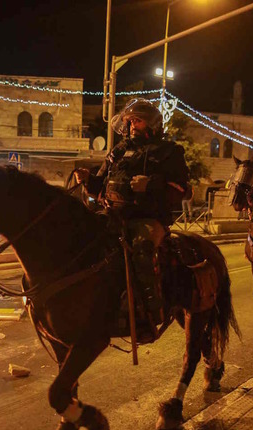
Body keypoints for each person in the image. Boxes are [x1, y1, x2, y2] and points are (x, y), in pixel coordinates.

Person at [75, 98, 190, 332]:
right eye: (129, 121)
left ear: (152, 124)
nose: (131, 125)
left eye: (136, 120)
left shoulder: (170, 151)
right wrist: (88, 180)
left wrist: (151, 184)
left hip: (148, 218)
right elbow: (101, 186)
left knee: (141, 249)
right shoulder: (117, 151)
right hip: (113, 215)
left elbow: (182, 189)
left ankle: (151, 311)